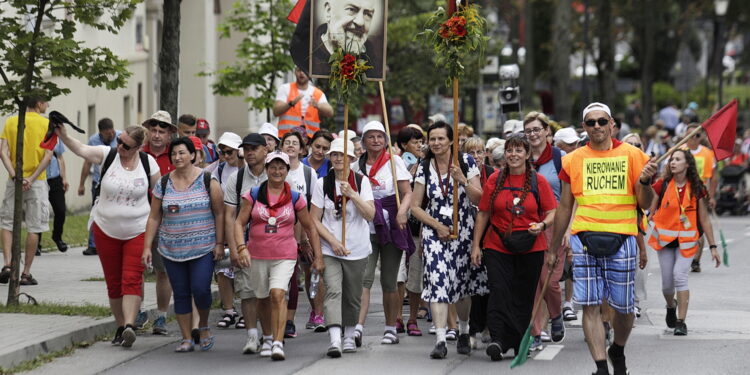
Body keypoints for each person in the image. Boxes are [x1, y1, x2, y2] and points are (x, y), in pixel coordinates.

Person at [548, 102, 657, 375]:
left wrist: (644, 183)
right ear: (583, 127)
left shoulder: (633, 156)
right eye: (591, 122)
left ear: (611, 124)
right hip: (584, 239)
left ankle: (617, 349)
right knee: (590, 306)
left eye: (602, 121)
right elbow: (564, 206)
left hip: (623, 239)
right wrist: (553, 248)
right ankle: (600, 367)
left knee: (624, 308)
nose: (597, 126)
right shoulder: (571, 160)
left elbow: (644, 203)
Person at [56, 124, 159, 348]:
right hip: (105, 230)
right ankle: (121, 327)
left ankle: (131, 325)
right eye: (119, 141)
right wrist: (63, 135)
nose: (120, 146)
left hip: (137, 230)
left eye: (126, 145)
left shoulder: (148, 163)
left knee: (131, 278)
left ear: (138, 147)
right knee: (113, 283)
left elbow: (160, 194)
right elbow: (81, 149)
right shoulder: (108, 154)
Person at [470, 134, 556, 361]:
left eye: (519, 151)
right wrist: (476, 245)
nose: (513, 155)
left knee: (523, 295)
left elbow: (552, 211)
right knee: (499, 290)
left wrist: (543, 224)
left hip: (531, 246)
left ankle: (518, 341)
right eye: (510, 150)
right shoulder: (495, 180)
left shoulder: (539, 181)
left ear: (528, 155)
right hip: (497, 244)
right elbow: (483, 213)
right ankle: (498, 340)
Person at [234, 151, 323, 361]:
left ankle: (277, 342)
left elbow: (310, 227)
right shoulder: (253, 194)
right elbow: (239, 223)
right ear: (266, 170)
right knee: (262, 298)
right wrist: (240, 248)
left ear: (287, 170)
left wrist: (318, 256)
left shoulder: (295, 197)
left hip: (285, 254)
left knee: (277, 294)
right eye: (272, 167)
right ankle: (267, 337)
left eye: (281, 167)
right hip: (257, 254)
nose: (277, 171)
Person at [409, 121, 486, 359]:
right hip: (435, 232)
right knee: (438, 282)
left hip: (463, 229)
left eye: (441, 138)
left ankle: (463, 331)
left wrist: (462, 179)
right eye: (432, 139)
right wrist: (436, 226)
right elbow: (415, 206)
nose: (436, 143)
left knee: (462, 286)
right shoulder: (423, 166)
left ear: (451, 141)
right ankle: (441, 339)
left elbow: (480, 199)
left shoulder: (466, 162)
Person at [143, 137, 225, 352]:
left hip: (203, 247)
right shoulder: (163, 183)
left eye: (181, 153)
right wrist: (146, 247)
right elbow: (153, 217)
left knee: (200, 289)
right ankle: (186, 338)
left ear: (192, 155)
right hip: (171, 249)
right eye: (174, 154)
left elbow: (219, 213)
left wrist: (219, 243)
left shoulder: (208, 180)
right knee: (180, 293)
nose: (177, 157)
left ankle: (204, 325)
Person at [310, 138, 375, 357]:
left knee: (352, 294)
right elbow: (314, 219)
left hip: (357, 248)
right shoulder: (322, 184)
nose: (338, 159)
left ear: (351, 159)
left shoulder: (361, 181)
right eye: (335, 155)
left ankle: (349, 335)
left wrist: (353, 195)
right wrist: (333, 242)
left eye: (343, 155)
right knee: (334, 291)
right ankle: (335, 339)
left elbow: (370, 214)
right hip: (331, 249)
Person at [352, 121, 414, 347]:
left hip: (391, 226)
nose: (376, 140)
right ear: (364, 141)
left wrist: (402, 212)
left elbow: (407, 193)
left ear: (386, 140)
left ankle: (390, 327)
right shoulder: (356, 166)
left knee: (389, 281)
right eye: (371, 136)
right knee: (363, 280)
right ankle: (357, 327)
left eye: (380, 136)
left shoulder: (395, 161)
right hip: (364, 227)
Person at [648, 149, 719, 336]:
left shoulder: (697, 188)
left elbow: (704, 219)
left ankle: (681, 321)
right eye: (671, 159)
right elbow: (649, 210)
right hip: (665, 241)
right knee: (666, 285)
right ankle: (670, 306)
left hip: (687, 241)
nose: (673, 162)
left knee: (680, 276)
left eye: (677, 159)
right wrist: (648, 217)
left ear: (687, 164)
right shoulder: (661, 185)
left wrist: (712, 247)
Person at [521, 111, 566, 350]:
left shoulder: (561, 158)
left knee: (549, 281)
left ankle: (557, 315)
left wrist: (568, 228)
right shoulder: (521, 158)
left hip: (555, 224)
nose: (533, 135)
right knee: (530, 282)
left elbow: (572, 196)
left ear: (547, 131)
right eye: (528, 131)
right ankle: (536, 332)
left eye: (537, 129)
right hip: (528, 225)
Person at [0, 95, 53, 286]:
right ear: (39, 104)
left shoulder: (12, 121)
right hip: (36, 182)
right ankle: (26, 273)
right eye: (46, 102)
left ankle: (7, 264)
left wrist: (15, 175)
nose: (47, 105)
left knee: (7, 221)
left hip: (14, 180)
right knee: (34, 226)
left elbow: (3, 152)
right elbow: (48, 156)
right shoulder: (48, 124)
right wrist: (31, 178)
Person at [224, 133, 268, 353]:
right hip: (246, 244)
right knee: (248, 292)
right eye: (246, 149)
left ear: (265, 150)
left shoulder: (278, 173)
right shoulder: (237, 178)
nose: (249, 152)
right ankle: (252, 336)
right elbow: (229, 215)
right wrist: (233, 248)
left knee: (271, 292)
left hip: (273, 244)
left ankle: (270, 335)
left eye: (254, 148)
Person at [279, 131, 323, 336]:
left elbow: (313, 203)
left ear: (302, 149)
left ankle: (317, 312)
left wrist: (309, 235)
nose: (290, 146)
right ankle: (286, 319)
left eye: (294, 143)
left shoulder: (308, 173)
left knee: (309, 271)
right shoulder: (276, 169)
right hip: (281, 230)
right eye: (287, 143)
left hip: (304, 228)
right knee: (289, 276)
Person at [140, 110, 178, 334]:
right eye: (152, 130)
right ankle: (139, 311)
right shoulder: (137, 153)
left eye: (161, 131)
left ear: (169, 134)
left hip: (165, 222)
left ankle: (161, 315)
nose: (156, 135)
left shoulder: (175, 157)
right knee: (137, 269)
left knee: (163, 271)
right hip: (138, 220)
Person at [210, 132, 244, 329]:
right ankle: (229, 310)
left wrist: (240, 158)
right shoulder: (219, 169)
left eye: (229, 151)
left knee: (242, 267)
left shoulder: (246, 168)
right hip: (225, 219)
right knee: (223, 267)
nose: (225, 156)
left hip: (244, 221)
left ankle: (246, 308)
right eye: (222, 152)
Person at [78, 118, 120, 256]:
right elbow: (87, 163)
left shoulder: (121, 137)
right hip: (98, 182)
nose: (111, 135)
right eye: (107, 133)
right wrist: (81, 184)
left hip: (117, 183)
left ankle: (115, 242)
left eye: (112, 132)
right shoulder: (93, 141)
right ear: (101, 132)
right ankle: (92, 245)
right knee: (96, 212)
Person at [311, 0, 383, 79]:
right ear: (328, 11)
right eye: (351, 9)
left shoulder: (372, 60)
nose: (360, 22)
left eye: (368, 14)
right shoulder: (308, 56)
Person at [621, 133, 650, 318]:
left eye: (637, 144)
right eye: (629, 144)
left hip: (641, 224)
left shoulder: (646, 167)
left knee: (640, 266)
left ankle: (636, 301)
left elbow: (650, 196)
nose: (633, 146)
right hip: (621, 224)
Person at [683, 123, 717, 273]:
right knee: (683, 225)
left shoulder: (707, 153)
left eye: (697, 135)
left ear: (701, 137)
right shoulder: (679, 151)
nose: (694, 138)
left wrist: (712, 196)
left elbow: (713, 178)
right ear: (686, 135)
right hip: (681, 194)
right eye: (690, 135)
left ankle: (696, 260)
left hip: (699, 195)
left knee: (699, 228)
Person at [274, 68, 333, 138]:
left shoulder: (317, 93)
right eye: (299, 70)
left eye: (305, 71)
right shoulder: (285, 88)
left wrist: (317, 105)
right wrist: (291, 104)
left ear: (310, 74)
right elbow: (276, 111)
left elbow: (330, 113)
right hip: (287, 138)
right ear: (295, 72)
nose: (302, 73)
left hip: (310, 138)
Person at [42, 140, 69, 252]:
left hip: (55, 180)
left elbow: (60, 157)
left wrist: (64, 178)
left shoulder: (56, 138)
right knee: (39, 212)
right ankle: (36, 244)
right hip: (39, 179)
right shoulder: (35, 134)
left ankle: (57, 237)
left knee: (61, 210)